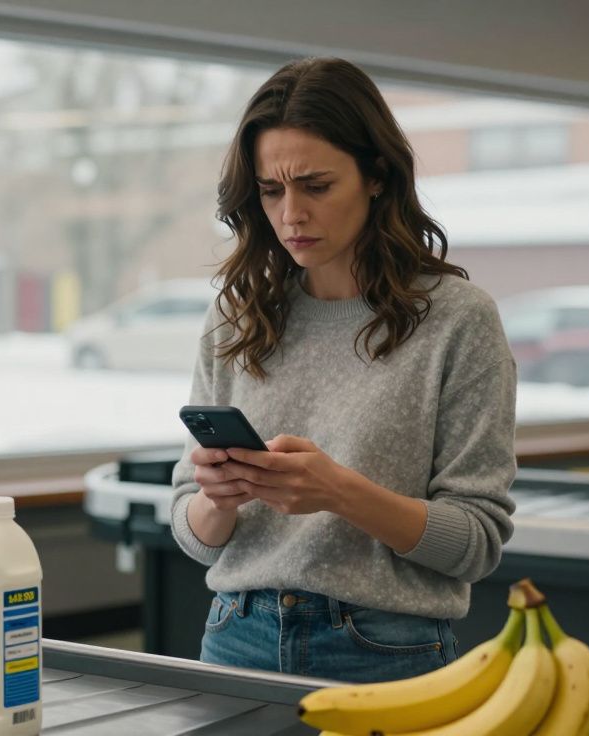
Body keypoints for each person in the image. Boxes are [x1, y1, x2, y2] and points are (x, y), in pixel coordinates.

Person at [169, 57, 517, 683]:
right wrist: (216, 501)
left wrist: (338, 493)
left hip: (386, 650)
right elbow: (194, 533)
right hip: (234, 637)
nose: (291, 214)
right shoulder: (237, 316)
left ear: (377, 176)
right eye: (271, 191)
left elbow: (476, 545)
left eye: (316, 186)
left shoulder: (459, 319)